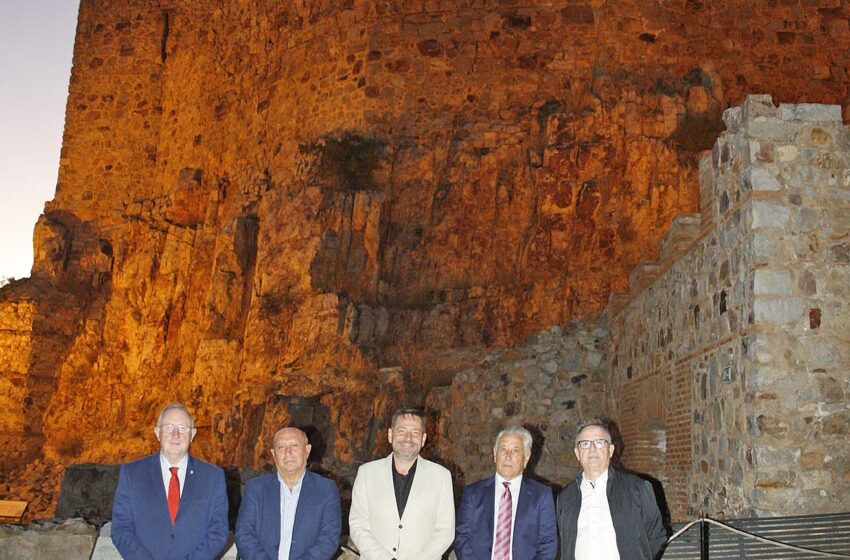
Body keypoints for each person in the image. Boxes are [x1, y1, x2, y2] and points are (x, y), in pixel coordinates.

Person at [112, 402, 228, 559]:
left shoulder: (213, 477)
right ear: (157, 433)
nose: (175, 434)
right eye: (168, 427)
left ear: (192, 434)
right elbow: (121, 528)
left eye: (182, 428)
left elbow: (218, 531)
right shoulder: (132, 474)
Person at [349, 407, 455, 560]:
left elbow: (445, 531)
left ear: (423, 439)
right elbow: (358, 526)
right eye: (402, 431)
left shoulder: (441, 477)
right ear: (390, 435)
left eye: (415, 433)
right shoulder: (367, 473)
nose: (408, 438)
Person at [556, 419, 667, 560]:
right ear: (577, 453)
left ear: (610, 450)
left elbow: (656, 536)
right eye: (585, 444)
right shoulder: (565, 497)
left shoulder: (637, 489)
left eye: (599, 442)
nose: (592, 449)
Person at [235, 427, 341, 559]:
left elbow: (329, 537)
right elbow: (244, 533)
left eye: (294, 445)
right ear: (274, 454)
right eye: (281, 447)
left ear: (307, 451)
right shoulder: (256, 489)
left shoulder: (326, 489)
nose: (288, 452)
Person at [455, 426, 557, 560]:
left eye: (515, 451)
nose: (508, 456)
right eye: (503, 449)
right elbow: (462, 537)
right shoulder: (473, 493)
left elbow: (547, 544)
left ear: (526, 459)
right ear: (495, 454)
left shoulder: (541, 495)